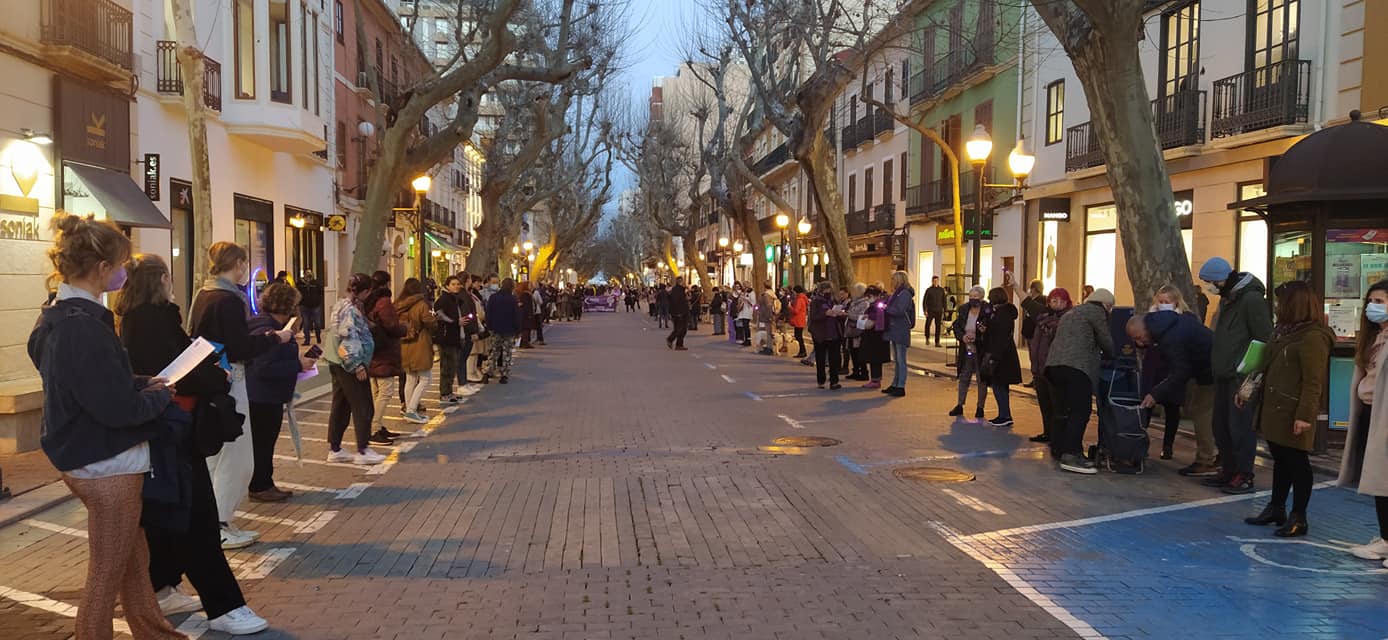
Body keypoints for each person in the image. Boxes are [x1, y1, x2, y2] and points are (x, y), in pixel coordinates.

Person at [28, 214, 189, 639]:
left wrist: (139, 382)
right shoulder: (84, 326)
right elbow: (119, 410)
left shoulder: (58, 317)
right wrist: (161, 393)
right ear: (101, 270)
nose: (124, 272)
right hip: (108, 464)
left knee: (131, 560)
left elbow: (79, 381)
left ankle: (156, 633)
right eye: (120, 264)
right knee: (106, 573)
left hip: (91, 459)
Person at [117, 254, 270, 633]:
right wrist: (214, 375)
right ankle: (224, 606)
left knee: (169, 513)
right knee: (196, 515)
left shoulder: (130, 320)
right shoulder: (156, 319)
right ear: (162, 280)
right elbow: (181, 370)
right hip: (172, 427)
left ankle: (163, 584)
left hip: (158, 428)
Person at [189, 242, 296, 549]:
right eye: (243, 263)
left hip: (209, 378)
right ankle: (220, 523)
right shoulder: (229, 300)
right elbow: (239, 347)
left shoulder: (202, 295)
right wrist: (275, 337)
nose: (245, 269)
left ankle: (213, 521)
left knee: (216, 454)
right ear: (235, 264)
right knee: (237, 456)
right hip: (230, 377)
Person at [1238, 281, 1332, 535]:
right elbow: (1263, 364)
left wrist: (1304, 416)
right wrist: (1247, 390)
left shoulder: (1313, 337)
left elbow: (1314, 381)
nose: (1277, 307)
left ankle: (1299, 516)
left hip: (1292, 409)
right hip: (1274, 407)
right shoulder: (1282, 332)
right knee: (1280, 458)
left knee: (1297, 461)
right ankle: (1276, 506)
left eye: (1281, 302)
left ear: (1294, 304)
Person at [1199, 256, 1273, 494]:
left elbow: (1263, 338)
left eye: (1209, 282)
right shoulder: (1229, 300)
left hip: (1240, 376)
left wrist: (1251, 376)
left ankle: (1244, 473)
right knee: (1221, 425)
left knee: (1239, 427)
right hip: (1223, 374)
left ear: (1221, 280)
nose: (1208, 287)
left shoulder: (1250, 300)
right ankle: (1229, 469)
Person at [245, 283, 316, 503]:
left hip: (266, 395)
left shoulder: (266, 326)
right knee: (263, 443)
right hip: (263, 396)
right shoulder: (269, 331)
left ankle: (263, 482)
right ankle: (260, 485)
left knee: (264, 442)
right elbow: (263, 367)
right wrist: (298, 365)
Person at [1129, 304, 1216, 469]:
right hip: (1206, 368)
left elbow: (1180, 371)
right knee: (1205, 413)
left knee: (1202, 414)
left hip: (1209, 371)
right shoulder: (1168, 325)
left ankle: (1206, 461)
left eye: (1139, 337)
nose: (1140, 343)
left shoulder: (1169, 337)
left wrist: (1155, 394)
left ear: (1145, 329)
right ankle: (1216, 458)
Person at [1340, 279, 1388, 565]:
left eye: (1380, 302)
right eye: (1372, 301)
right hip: (1371, 413)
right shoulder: (1374, 338)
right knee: (1380, 483)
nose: (1373, 307)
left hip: (1384, 417)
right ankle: (1385, 538)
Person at [1045, 288, 1117, 474]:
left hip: (1053, 366)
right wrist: (1114, 355)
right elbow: (1106, 341)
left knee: (1062, 411)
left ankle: (1058, 448)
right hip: (1077, 368)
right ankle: (1072, 455)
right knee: (1080, 411)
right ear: (1106, 305)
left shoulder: (1072, 312)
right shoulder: (1096, 312)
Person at [323, 273, 386, 465]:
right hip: (349, 363)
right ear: (365, 291)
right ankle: (363, 449)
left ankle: (335, 448)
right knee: (363, 404)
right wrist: (356, 364)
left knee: (341, 404)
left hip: (336, 361)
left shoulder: (342, 305)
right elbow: (348, 338)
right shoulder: (350, 311)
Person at [363, 271, 404, 445]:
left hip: (372, 350)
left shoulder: (367, 301)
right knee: (386, 391)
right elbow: (392, 326)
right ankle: (374, 427)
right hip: (384, 352)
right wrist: (404, 328)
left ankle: (377, 426)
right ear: (386, 283)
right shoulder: (384, 302)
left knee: (376, 392)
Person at [1027, 289, 1072, 447]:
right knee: (1045, 404)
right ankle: (1048, 432)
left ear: (1067, 303)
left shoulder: (1068, 319)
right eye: (1054, 301)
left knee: (1057, 405)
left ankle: (1058, 437)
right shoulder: (1043, 318)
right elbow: (1027, 303)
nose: (1057, 304)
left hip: (1054, 369)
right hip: (1039, 369)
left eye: (1061, 301)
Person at [396, 278, 437, 424]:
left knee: (410, 378)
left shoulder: (398, 304)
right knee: (426, 378)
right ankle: (412, 410)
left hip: (404, 343)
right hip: (420, 343)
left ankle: (408, 409)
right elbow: (430, 322)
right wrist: (435, 318)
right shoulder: (421, 304)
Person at [981, 287, 1022, 427]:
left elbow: (999, 336)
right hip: (1005, 353)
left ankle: (1005, 415)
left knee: (999, 385)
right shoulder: (1002, 312)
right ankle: (1004, 414)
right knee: (1001, 385)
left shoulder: (1002, 314)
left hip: (1001, 355)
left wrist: (994, 357)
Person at [949, 286, 992, 417]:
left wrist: (980, 334)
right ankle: (960, 404)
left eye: (976, 297)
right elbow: (956, 325)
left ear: (981, 297)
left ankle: (980, 407)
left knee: (981, 379)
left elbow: (990, 328)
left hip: (981, 349)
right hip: (966, 347)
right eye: (971, 296)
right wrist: (962, 337)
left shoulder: (987, 310)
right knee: (964, 376)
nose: (973, 299)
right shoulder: (964, 309)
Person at [882, 271, 915, 398]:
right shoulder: (898, 293)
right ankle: (895, 383)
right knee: (897, 359)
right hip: (895, 328)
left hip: (900, 328)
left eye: (894, 279)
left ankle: (900, 385)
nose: (892, 281)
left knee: (901, 359)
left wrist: (886, 309)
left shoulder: (904, 293)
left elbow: (900, 310)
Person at [433, 276, 466, 403]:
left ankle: (449, 391)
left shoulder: (455, 299)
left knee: (452, 366)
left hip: (455, 336)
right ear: (447, 285)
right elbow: (439, 315)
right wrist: (455, 322)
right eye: (453, 284)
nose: (456, 286)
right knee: (447, 366)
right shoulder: (443, 299)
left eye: (458, 284)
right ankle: (444, 392)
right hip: (446, 338)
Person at [808, 281, 845, 389]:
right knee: (820, 357)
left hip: (833, 333)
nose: (828, 292)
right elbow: (813, 316)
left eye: (830, 290)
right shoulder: (816, 302)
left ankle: (834, 381)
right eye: (826, 290)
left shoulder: (833, 300)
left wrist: (839, 313)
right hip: (820, 334)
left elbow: (838, 311)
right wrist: (825, 313)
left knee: (834, 358)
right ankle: (821, 380)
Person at [484, 278, 520, 384]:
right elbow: (516, 316)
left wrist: (489, 326)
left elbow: (488, 313)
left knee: (494, 351)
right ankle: (504, 374)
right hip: (509, 329)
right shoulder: (513, 299)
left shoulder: (493, 298)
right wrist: (518, 330)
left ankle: (488, 372)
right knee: (506, 352)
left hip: (495, 328)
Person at [858, 285, 890, 388]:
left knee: (875, 359)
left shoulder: (878, 305)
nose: (867, 298)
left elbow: (877, 318)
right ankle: (876, 379)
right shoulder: (876, 304)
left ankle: (875, 380)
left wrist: (868, 317)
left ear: (873, 295)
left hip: (876, 336)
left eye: (868, 296)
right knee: (875, 359)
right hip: (876, 336)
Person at [844, 283, 871, 380]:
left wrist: (849, 315)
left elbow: (861, 316)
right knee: (853, 352)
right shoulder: (854, 302)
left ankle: (863, 372)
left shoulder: (865, 303)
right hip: (851, 330)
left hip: (858, 330)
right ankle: (855, 370)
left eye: (854, 291)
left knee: (859, 352)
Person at [296, 270, 325, 345]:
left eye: (310, 273)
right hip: (304, 306)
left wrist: (318, 301)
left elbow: (321, 292)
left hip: (315, 306)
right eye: (307, 273)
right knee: (306, 324)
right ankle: (307, 340)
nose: (309, 275)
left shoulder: (316, 283)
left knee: (317, 323)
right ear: (304, 274)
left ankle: (318, 337)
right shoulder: (300, 283)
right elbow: (297, 293)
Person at [1020, 279, 1046, 347]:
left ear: (1034, 289)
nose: (1030, 290)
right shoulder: (1033, 299)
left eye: (1030, 288)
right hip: (1030, 330)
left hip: (1034, 330)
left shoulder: (1039, 300)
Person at [922, 276, 947, 347]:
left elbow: (944, 301)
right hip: (930, 310)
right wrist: (925, 310)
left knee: (938, 326)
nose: (935, 282)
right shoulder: (929, 290)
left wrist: (945, 310)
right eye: (934, 281)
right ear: (932, 281)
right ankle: (927, 337)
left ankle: (937, 342)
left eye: (936, 281)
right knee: (927, 324)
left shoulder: (941, 290)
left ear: (938, 281)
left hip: (939, 311)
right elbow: (925, 301)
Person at [667, 277, 691, 350]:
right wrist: (677, 312)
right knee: (679, 328)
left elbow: (684, 300)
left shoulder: (680, 290)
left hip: (682, 312)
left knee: (682, 329)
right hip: (679, 313)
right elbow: (675, 302)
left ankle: (679, 344)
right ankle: (671, 339)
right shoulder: (677, 290)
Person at [789, 286, 809, 359]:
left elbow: (796, 311)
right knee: (798, 336)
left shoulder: (800, 299)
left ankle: (802, 351)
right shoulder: (802, 298)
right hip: (800, 320)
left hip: (798, 320)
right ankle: (802, 351)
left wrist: (790, 307)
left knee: (798, 336)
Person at [755, 291, 777, 355]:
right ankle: (768, 347)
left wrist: (769, 317)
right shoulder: (770, 298)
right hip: (766, 317)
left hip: (767, 318)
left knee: (769, 334)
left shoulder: (767, 298)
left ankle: (769, 348)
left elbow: (769, 308)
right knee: (768, 333)